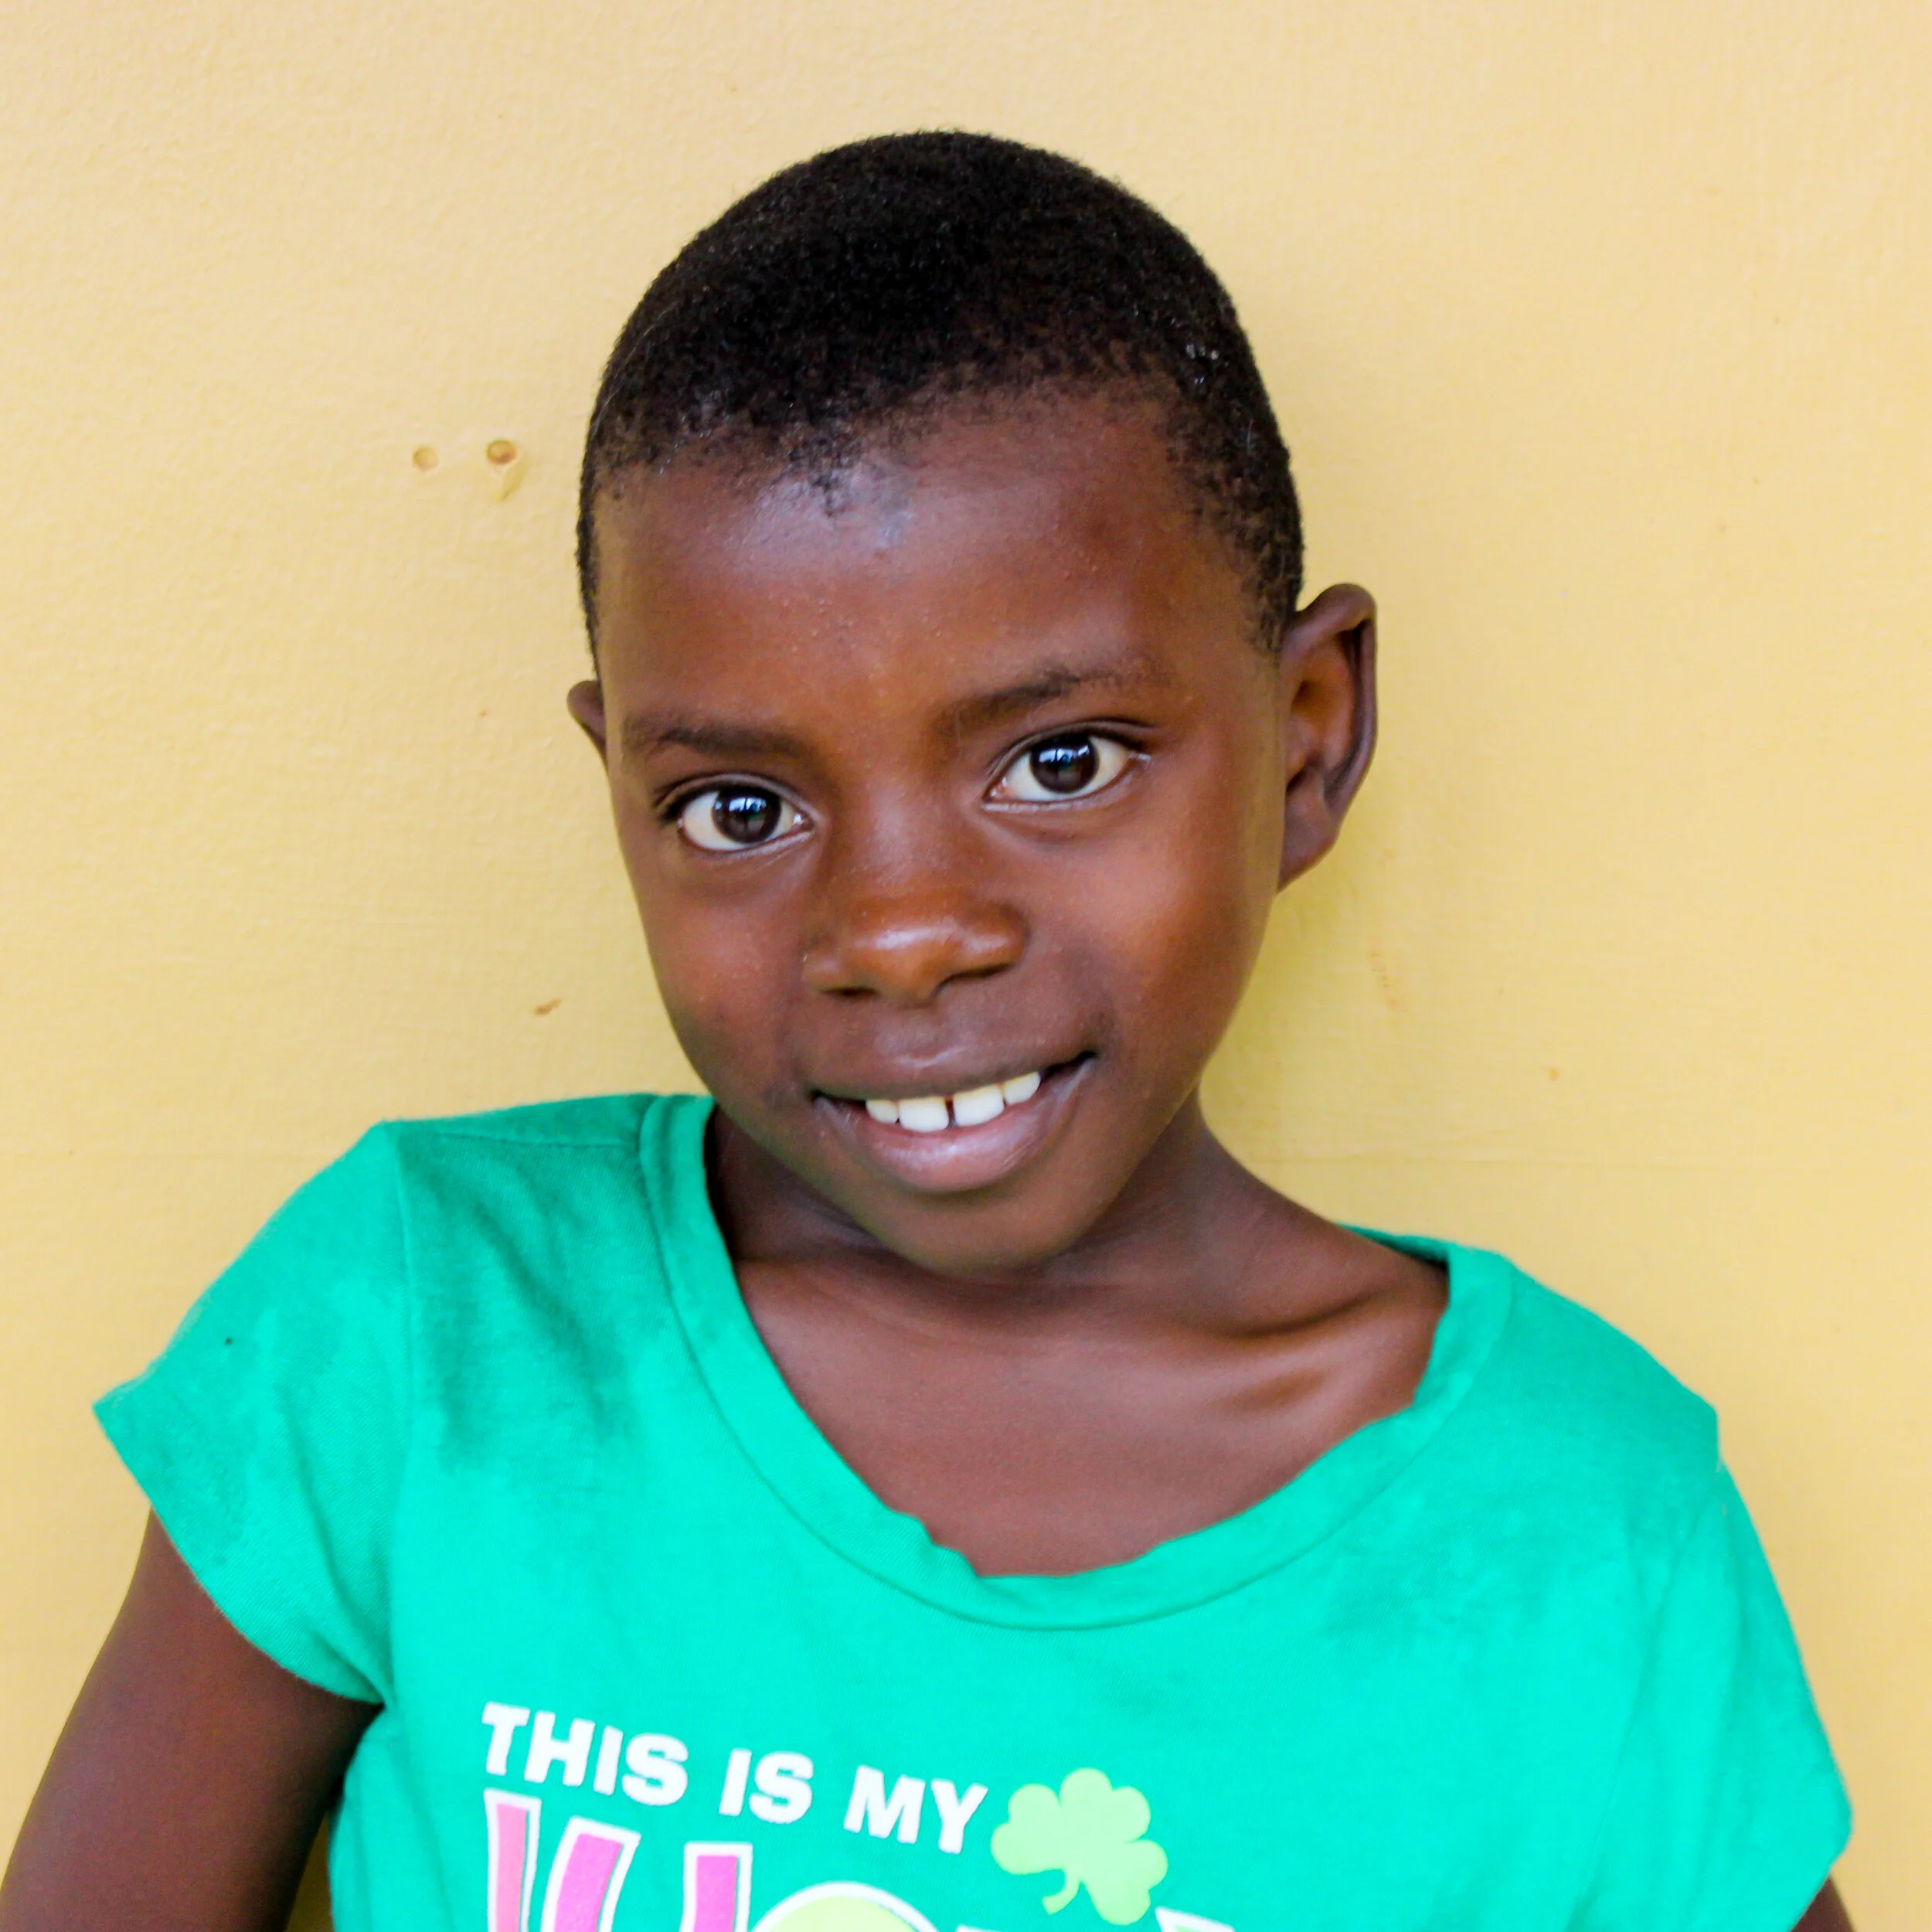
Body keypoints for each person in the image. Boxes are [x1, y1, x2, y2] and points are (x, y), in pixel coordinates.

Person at [0, 134, 1852, 1932]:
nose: (898, 937)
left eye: (1061, 763)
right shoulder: (422, 1330)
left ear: (1304, 732)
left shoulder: (1575, 1533)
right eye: (738, 806)